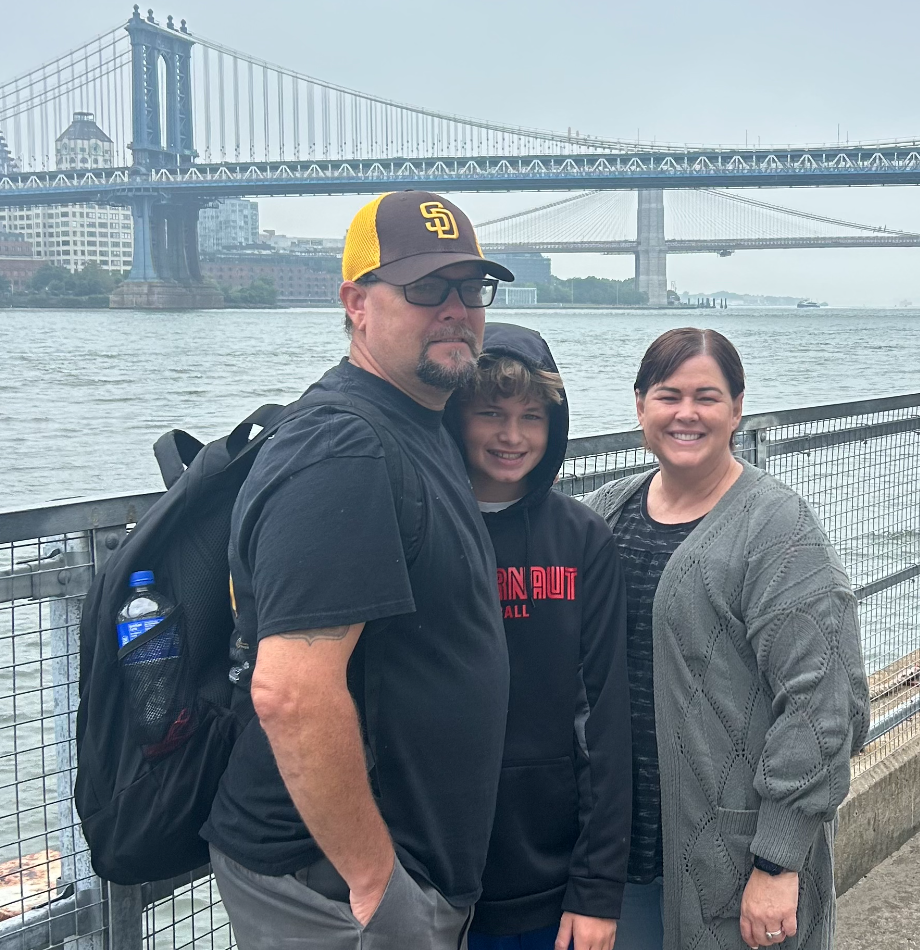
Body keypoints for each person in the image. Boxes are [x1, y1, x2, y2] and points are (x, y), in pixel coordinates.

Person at [201, 191, 517, 950]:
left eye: (469, 288)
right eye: (424, 287)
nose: (455, 308)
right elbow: (291, 690)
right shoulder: (343, 449)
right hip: (332, 886)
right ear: (355, 303)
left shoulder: (420, 421)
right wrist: (380, 891)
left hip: (391, 874)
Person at [583, 328, 870, 950]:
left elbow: (825, 702)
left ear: (737, 410)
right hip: (618, 859)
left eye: (707, 397)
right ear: (640, 407)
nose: (686, 413)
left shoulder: (776, 528)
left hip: (734, 863)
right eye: (668, 395)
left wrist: (778, 860)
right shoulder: (605, 513)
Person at [443, 324, 632, 950]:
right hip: (425, 877)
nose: (512, 436)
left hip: (546, 882)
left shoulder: (582, 539)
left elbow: (604, 718)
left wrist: (597, 890)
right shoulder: (418, 530)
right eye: (490, 413)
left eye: (532, 417)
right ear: (454, 416)